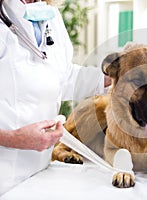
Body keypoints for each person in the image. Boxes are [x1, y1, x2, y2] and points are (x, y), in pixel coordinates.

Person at [0, 0, 111, 195]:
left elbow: (62, 77)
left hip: (37, 172)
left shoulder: (49, 15)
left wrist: (110, 79)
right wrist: (11, 138)